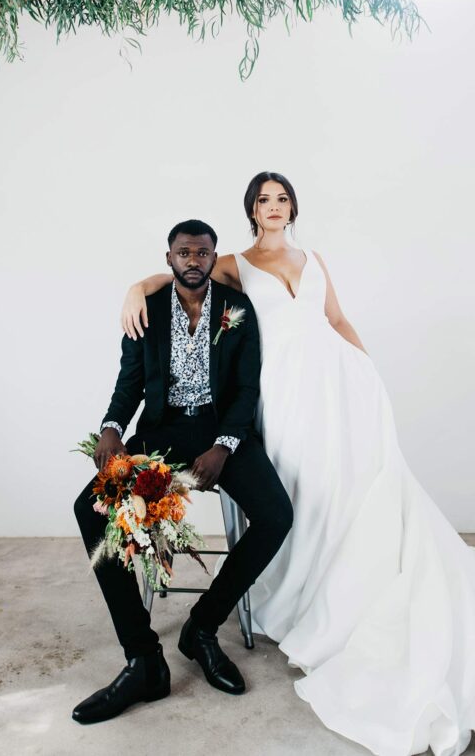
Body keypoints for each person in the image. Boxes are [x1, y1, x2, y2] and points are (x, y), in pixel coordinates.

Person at [121, 172, 475, 756]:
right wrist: (138, 285)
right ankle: (298, 586)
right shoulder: (234, 261)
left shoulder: (316, 258)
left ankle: (355, 574)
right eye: (264, 200)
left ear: (293, 206)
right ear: (251, 211)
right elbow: (184, 274)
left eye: (282, 198)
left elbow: (336, 320)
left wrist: (370, 372)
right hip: (283, 392)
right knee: (300, 493)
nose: (274, 207)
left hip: (341, 382)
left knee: (355, 485)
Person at [72, 218, 293, 725]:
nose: (193, 259)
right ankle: (144, 659)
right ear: (168, 258)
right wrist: (110, 427)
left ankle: (202, 627)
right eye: (184, 252)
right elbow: (129, 383)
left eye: (203, 252)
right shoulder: (146, 310)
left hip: (222, 433)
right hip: (159, 434)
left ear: (214, 258)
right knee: (89, 510)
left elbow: (245, 389)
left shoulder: (237, 309)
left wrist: (223, 445)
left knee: (277, 516)